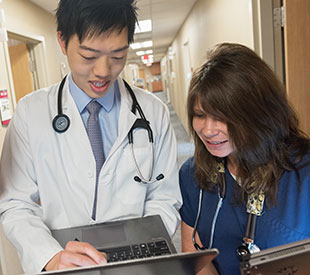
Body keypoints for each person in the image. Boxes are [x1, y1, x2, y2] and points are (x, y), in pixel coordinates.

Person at [0, 0, 182, 273]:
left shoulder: (152, 112)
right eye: (88, 56)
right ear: (63, 42)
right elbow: (15, 202)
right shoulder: (30, 113)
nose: (103, 71)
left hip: (138, 262)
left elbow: (165, 196)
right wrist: (49, 256)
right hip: (63, 260)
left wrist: (143, 244)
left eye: (118, 56)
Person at [179, 43, 310, 275]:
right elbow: (195, 255)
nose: (208, 130)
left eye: (222, 117)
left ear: (257, 113)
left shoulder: (303, 172)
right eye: (200, 115)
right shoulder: (194, 175)